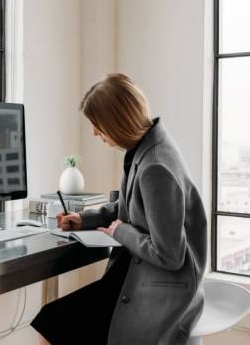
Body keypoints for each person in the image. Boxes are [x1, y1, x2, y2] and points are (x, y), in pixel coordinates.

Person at [31, 73, 207, 344]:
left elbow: (170, 256)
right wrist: (83, 219)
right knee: (52, 320)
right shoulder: (146, 147)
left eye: (97, 125)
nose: (94, 133)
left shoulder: (155, 167)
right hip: (137, 275)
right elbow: (130, 205)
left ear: (117, 121)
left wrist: (122, 232)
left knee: (51, 322)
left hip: (159, 289)